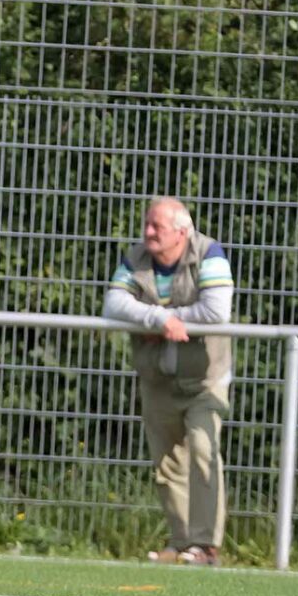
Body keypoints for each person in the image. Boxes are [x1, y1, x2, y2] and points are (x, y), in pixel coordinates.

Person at [102, 196, 233, 567]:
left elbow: (216, 310)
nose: (147, 233)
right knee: (168, 463)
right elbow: (113, 304)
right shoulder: (136, 256)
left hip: (205, 379)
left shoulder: (209, 252)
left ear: (182, 231)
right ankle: (181, 544)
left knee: (205, 452)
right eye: (147, 224)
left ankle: (206, 546)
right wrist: (160, 321)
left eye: (156, 227)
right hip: (157, 378)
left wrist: (163, 318)